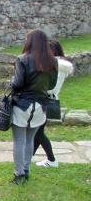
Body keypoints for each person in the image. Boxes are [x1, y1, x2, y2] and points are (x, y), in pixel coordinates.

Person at [10, 29, 58, 184]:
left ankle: (19, 175)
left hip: (23, 105)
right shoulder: (52, 61)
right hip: (40, 106)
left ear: (30, 41)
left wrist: (13, 75)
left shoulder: (23, 59)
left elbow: (17, 84)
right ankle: (26, 170)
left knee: (19, 140)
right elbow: (52, 84)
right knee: (30, 139)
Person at [33, 39, 74, 168]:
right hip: (49, 99)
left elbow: (50, 86)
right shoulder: (60, 65)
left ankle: (51, 160)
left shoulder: (55, 66)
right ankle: (29, 156)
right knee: (38, 131)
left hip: (44, 99)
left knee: (38, 132)